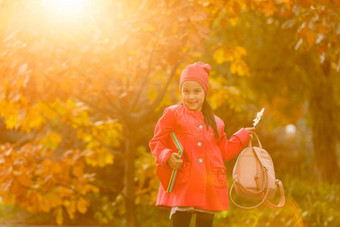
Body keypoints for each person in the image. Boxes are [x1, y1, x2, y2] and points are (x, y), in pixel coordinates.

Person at [149, 62, 255, 227]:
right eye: (186, 91)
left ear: (205, 92)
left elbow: (224, 152)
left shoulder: (216, 122)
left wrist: (241, 137)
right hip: (183, 185)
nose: (191, 97)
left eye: (197, 91)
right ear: (181, 92)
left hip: (209, 187)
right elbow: (157, 141)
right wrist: (167, 157)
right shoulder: (173, 114)